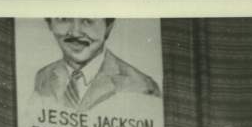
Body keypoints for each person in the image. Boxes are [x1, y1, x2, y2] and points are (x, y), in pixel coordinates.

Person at [33, 17, 161, 111]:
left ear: (108, 27)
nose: (75, 33)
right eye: (64, 19)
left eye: (88, 21)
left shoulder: (141, 86)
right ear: (50, 24)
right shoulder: (43, 77)